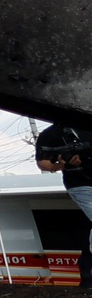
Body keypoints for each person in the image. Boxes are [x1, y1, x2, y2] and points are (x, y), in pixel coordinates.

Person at [37, 123, 92, 288]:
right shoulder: (50, 134)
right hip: (80, 183)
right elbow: (43, 163)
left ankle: (87, 271)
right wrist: (62, 165)